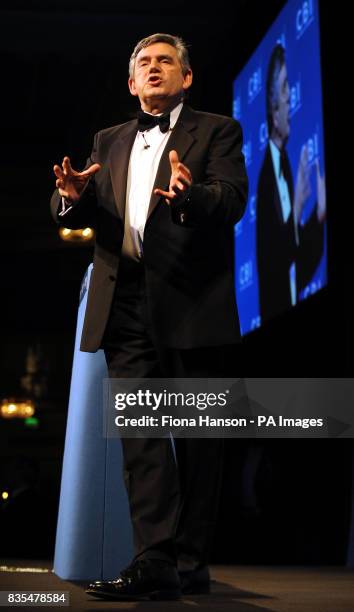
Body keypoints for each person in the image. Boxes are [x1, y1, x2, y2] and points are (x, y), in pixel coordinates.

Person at [51, 33, 248, 601]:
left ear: (186, 78)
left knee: (196, 441)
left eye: (166, 61)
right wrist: (69, 199)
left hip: (191, 302)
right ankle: (155, 559)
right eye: (144, 63)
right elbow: (89, 207)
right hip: (125, 303)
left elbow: (231, 198)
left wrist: (189, 196)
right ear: (132, 83)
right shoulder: (108, 140)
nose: (154, 68)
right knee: (142, 437)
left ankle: (191, 557)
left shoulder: (217, 130)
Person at [256, 44, 326, 325]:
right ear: (274, 112)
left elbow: (297, 262)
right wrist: (297, 208)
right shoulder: (265, 181)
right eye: (285, 90)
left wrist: (318, 213)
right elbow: (276, 263)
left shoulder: (283, 163)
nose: (290, 98)